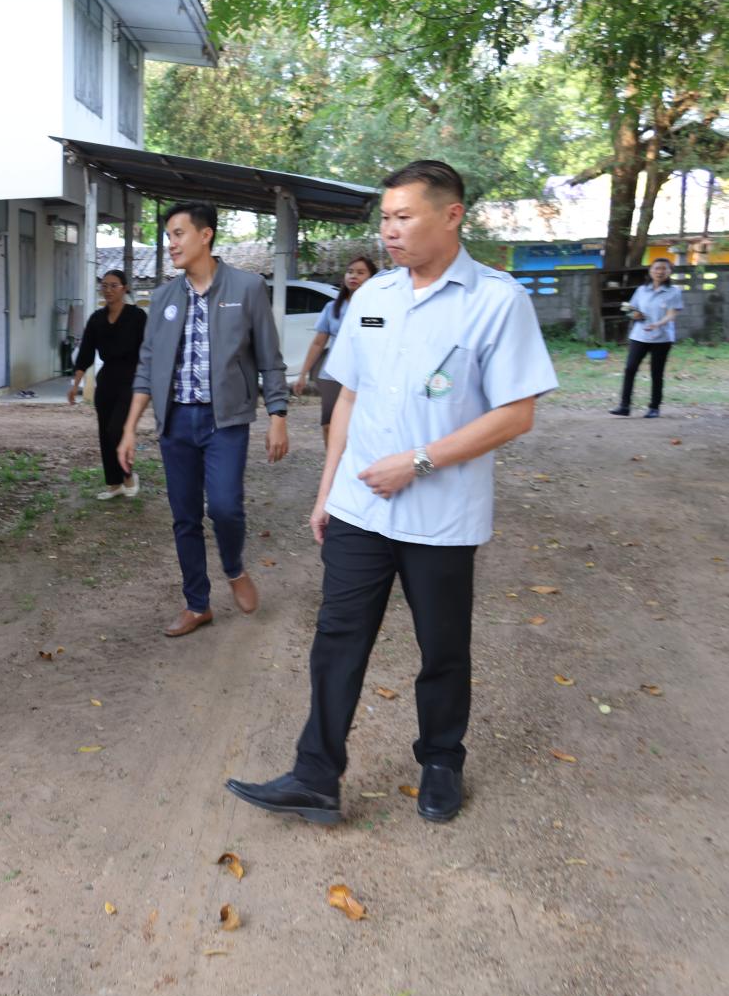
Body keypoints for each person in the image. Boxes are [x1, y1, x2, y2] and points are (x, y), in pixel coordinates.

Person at [225, 160, 557, 825]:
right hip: (360, 507)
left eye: (404, 217)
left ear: (452, 215)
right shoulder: (373, 296)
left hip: (442, 514)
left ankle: (441, 760)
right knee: (336, 638)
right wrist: (326, 491)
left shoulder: (496, 301)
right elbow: (349, 396)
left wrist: (420, 461)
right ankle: (315, 776)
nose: (390, 231)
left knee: (442, 647)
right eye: (385, 218)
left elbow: (515, 413)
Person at [116, 202, 289, 638]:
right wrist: (130, 428)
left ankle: (233, 568)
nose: (171, 244)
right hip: (175, 423)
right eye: (168, 237)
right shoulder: (162, 298)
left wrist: (278, 415)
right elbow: (147, 366)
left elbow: (270, 358)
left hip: (224, 421)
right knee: (185, 516)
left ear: (205, 234)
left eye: (178, 234)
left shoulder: (247, 287)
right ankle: (197, 604)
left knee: (225, 507)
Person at [69, 270, 149, 500]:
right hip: (106, 380)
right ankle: (114, 484)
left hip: (131, 379)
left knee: (117, 429)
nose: (108, 290)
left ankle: (128, 476)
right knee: (105, 431)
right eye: (104, 285)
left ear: (124, 288)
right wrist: (75, 384)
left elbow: (148, 349)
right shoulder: (96, 319)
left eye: (114, 285)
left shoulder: (137, 316)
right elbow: (85, 353)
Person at [294, 256, 379, 444]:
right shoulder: (332, 308)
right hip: (332, 374)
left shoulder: (378, 308)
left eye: (360, 272)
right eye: (350, 272)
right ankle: (333, 461)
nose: (353, 276)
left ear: (371, 278)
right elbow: (318, 343)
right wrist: (302, 374)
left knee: (358, 426)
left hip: (365, 375)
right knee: (329, 424)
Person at [610, 257, 683, 418]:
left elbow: (672, 314)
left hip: (662, 338)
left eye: (664, 268)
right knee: (630, 369)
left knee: (656, 372)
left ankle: (654, 407)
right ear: (650, 271)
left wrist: (658, 324)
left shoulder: (674, 291)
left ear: (669, 272)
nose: (660, 271)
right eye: (657, 268)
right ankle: (624, 406)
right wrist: (633, 314)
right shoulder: (641, 290)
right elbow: (630, 309)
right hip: (639, 336)